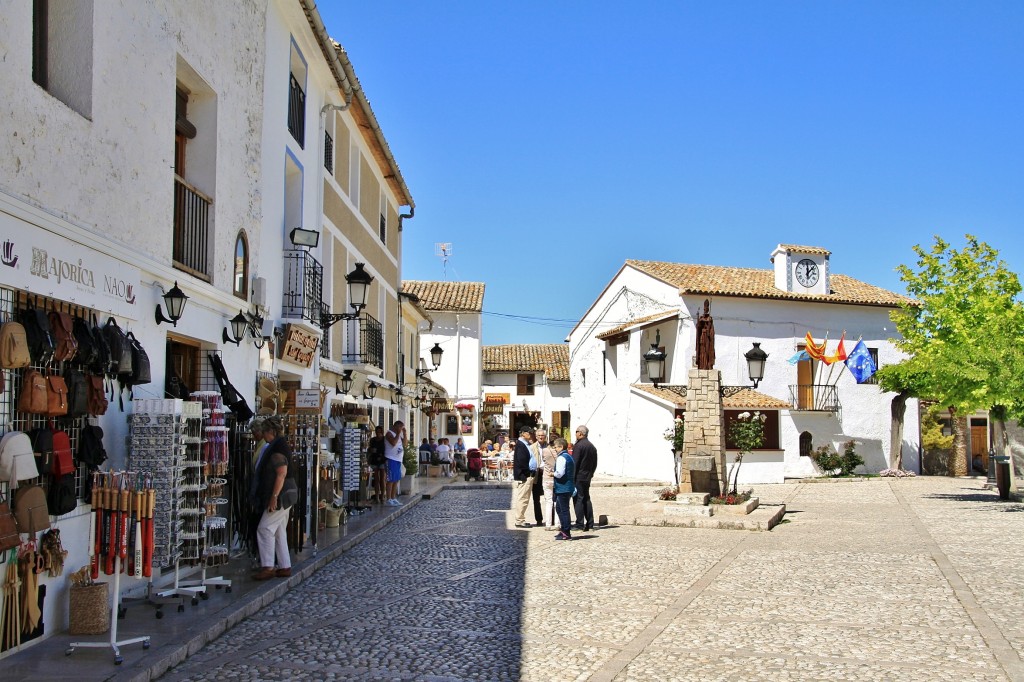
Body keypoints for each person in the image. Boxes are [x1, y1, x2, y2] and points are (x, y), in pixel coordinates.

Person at [253, 417, 295, 579]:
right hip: (289, 493)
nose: (263, 435)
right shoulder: (279, 444)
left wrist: (274, 496)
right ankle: (284, 566)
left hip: (282, 494)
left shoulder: (278, 448)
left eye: (264, 432)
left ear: (271, 432)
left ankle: (268, 567)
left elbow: (281, 473)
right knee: (278, 531)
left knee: (264, 528)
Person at [572, 425, 598, 532]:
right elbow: (595, 463)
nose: (576, 434)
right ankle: (590, 524)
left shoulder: (579, 446)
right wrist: (591, 474)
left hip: (578, 477)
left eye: (576, 432)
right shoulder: (592, 446)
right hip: (587, 477)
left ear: (580, 433)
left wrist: (571, 478)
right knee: (586, 499)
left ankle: (579, 524)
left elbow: (575, 463)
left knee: (578, 499)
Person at [511, 427, 535, 527]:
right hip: (525, 475)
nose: (530, 434)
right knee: (523, 498)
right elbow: (521, 461)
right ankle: (519, 520)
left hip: (528, 474)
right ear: (523, 433)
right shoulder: (521, 445)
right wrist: (526, 473)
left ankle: (520, 518)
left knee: (525, 498)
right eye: (528, 432)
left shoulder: (526, 444)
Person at [552, 437, 575, 541]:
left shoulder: (562, 458)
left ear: (561, 447)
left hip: (563, 487)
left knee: (564, 510)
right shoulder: (569, 457)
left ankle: (566, 531)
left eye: (556, 447)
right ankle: (563, 530)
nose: (555, 449)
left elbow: (560, 473)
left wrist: (552, 473)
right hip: (567, 486)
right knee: (559, 509)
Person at [538, 430, 558, 529]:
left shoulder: (545, 450)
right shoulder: (559, 452)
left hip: (546, 477)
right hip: (557, 477)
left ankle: (548, 524)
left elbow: (542, 463)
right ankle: (558, 523)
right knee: (557, 501)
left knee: (548, 501)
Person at [384, 421, 406, 505]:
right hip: (391, 459)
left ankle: (393, 498)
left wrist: (405, 434)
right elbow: (393, 443)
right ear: (396, 426)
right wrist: (398, 433)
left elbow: (405, 444)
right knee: (390, 479)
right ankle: (388, 498)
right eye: (400, 427)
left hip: (398, 460)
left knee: (396, 479)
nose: (401, 429)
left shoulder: (399, 435)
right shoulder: (389, 434)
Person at [531, 429, 550, 526]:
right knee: (536, 498)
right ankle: (539, 519)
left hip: (547, 473)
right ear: (536, 436)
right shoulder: (532, 447)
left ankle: (550, 519)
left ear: (545, 436)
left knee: (549, 497)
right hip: (537, 474)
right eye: (539, 435)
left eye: (542, 435)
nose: (541, 437)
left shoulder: (550, 446)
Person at [366, 426, 387, 503]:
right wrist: (371, 451)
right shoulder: (373, 440)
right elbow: (369, 449)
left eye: (379, 431)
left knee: (382, 478)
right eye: (377, 431)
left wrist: (383, 456)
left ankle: (382, 496)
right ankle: (377, 496)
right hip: (374, 460)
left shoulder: (385, 440)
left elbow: (387, 450)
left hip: (382, 460)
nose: (378, 433)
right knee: (376, 479)